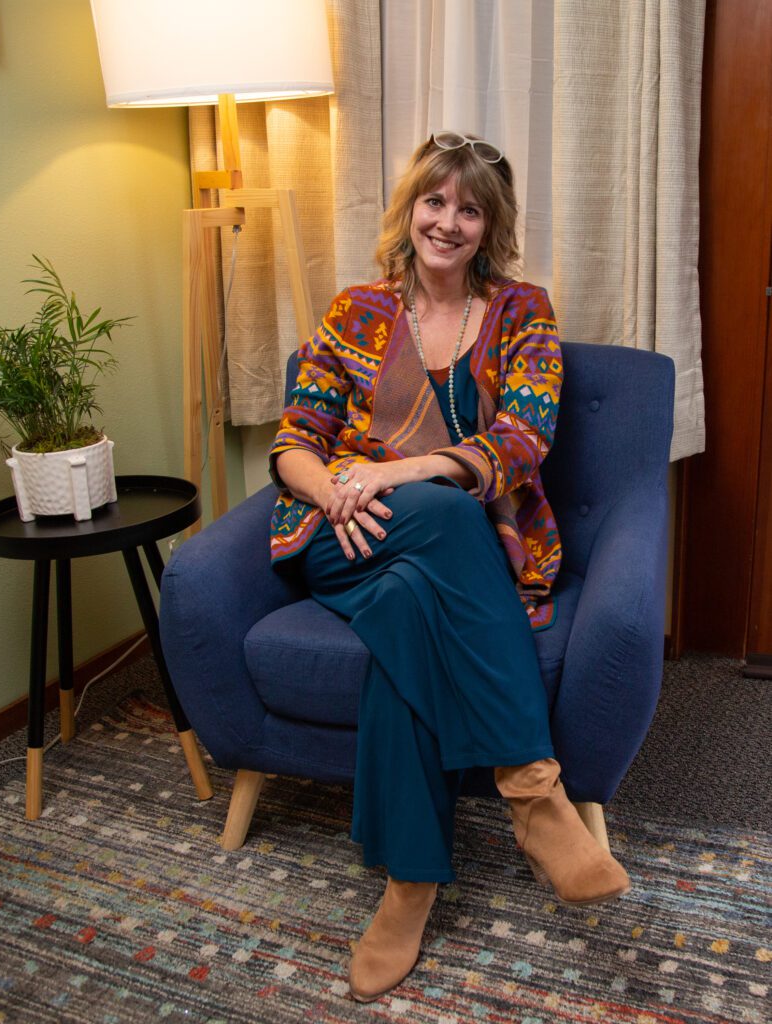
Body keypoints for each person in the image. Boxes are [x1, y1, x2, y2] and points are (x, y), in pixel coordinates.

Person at [268, 132, 630, 1003]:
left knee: (407, 603)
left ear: (490, 226)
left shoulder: (522, 311)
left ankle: (410, 886)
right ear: (411, 209)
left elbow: (523, 439)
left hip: (440, 546)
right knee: (427, 525)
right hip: (340, 537)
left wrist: (397, 471)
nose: (449, 221)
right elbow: (295, 441)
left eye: (470, 208)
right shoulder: (356, 311)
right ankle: (533, 793)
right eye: (435, 201)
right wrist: (336, 495)